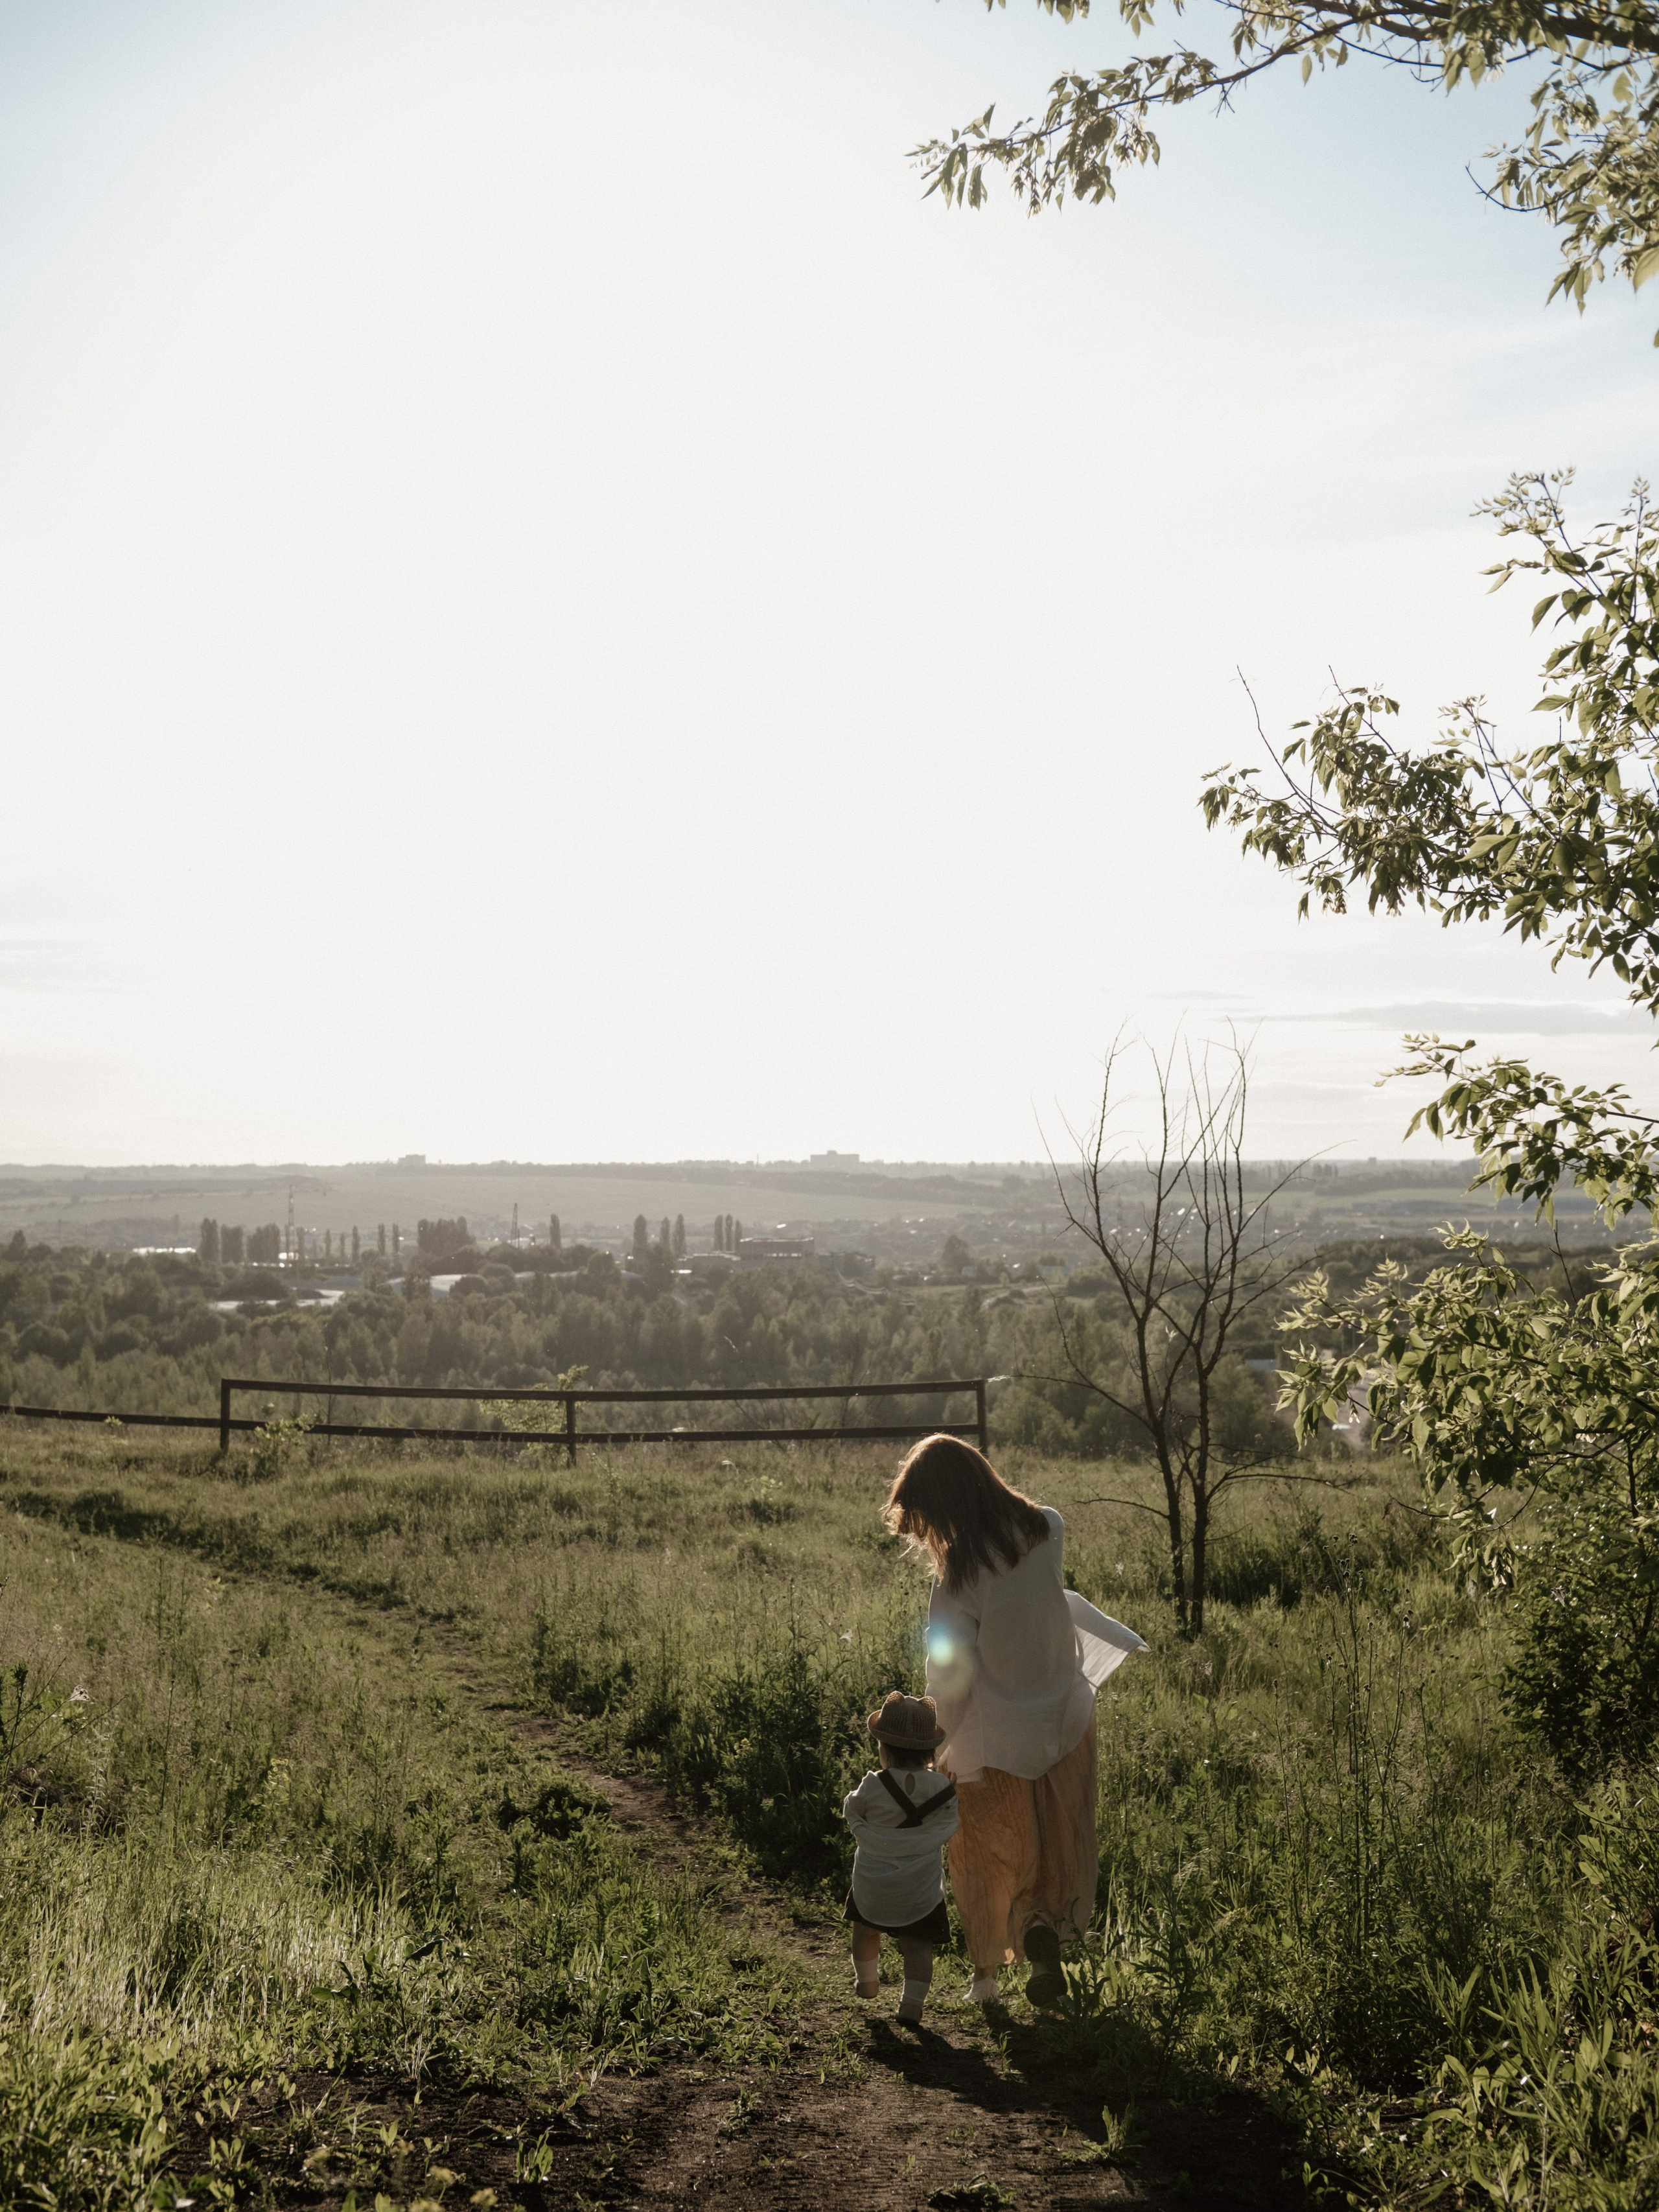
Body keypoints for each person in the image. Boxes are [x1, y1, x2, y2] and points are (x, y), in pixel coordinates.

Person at [884, 1434, 1147, 2007]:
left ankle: (985, 1980)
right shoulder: (1047, 1528)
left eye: (928, 1517)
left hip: (997, 1734)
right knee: (1053, 1843)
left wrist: (936, 1748)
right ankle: (1042, 1937)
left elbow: (949, 1674)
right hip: (1062, 1717)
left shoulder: (958, 1576)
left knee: (985, 1848)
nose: (929, 1533)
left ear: (948, 1504)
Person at [842, 1690, 960, 2025]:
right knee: (918, 1944)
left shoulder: (872, 1785)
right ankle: (912, 2003)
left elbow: (852, 1809)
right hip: (919, 1886)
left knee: (865, 1929)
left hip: (874, 1880)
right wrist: (949, 1793)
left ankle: (867, 1982)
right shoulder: (941, 1788)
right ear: (931, 1751)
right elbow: (950, 1820)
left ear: (884, 1749)